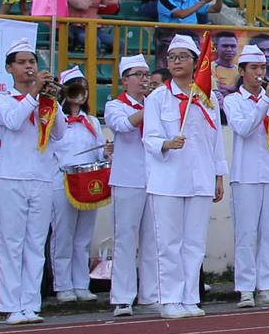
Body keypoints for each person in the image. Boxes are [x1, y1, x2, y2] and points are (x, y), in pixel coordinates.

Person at [143, 35, 226, 318]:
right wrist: (166, 144)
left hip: (200, 177)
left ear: (196, 62)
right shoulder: (157, 97)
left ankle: (190, 296)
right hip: (167, 179)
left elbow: (215, 140)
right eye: (172, 57)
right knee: (169, 242)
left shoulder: (207, 96)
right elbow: (149, 137)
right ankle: (169, 299)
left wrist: (218, 175)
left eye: (182, 57)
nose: (176, 62)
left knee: (194, 243)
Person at [0, 47, 60, 325]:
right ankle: (11, 304)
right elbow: (13, 121)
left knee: (35, 243)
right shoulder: (2, 98)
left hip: (41, 176)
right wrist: (34, 95)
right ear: (10, 68)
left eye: (32, 62)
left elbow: (60, 133)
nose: (29, 67)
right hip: (12, 177)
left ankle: (31, 303)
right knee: (11, 243)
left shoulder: (43, 101)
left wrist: (52, 101)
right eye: (22, 63)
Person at [222, 46, 269, 308]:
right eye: (253, 69)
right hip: (246, 175)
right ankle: (245, 288)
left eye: (262, 68)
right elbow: (243, 128)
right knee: (246, 233)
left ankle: (266, 286)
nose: (259, 73)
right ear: (241, 72)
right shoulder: (232, 101)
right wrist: (266, 101)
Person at [103, 56, 160, 318]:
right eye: (137, 74)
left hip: (155, 178)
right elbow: (123, 126)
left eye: (146, 74)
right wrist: (152, 106)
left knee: (153, 240)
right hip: (127, 179)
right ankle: (123, 297)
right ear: (125, 80)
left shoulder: (156, 104)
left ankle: (150, 294)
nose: (144, 79)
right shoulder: (115, 105)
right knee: (125, 239)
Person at [48, 70, 105, 304]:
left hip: (87, 181)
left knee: (83, 236)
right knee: (63, 234)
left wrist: (107, 152)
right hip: (62, 180)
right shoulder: (54, 119)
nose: (80, 91)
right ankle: (63, 285)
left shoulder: (91, 121)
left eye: (83, 86)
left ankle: (81, 283)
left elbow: (99, 150)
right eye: (74, 86)